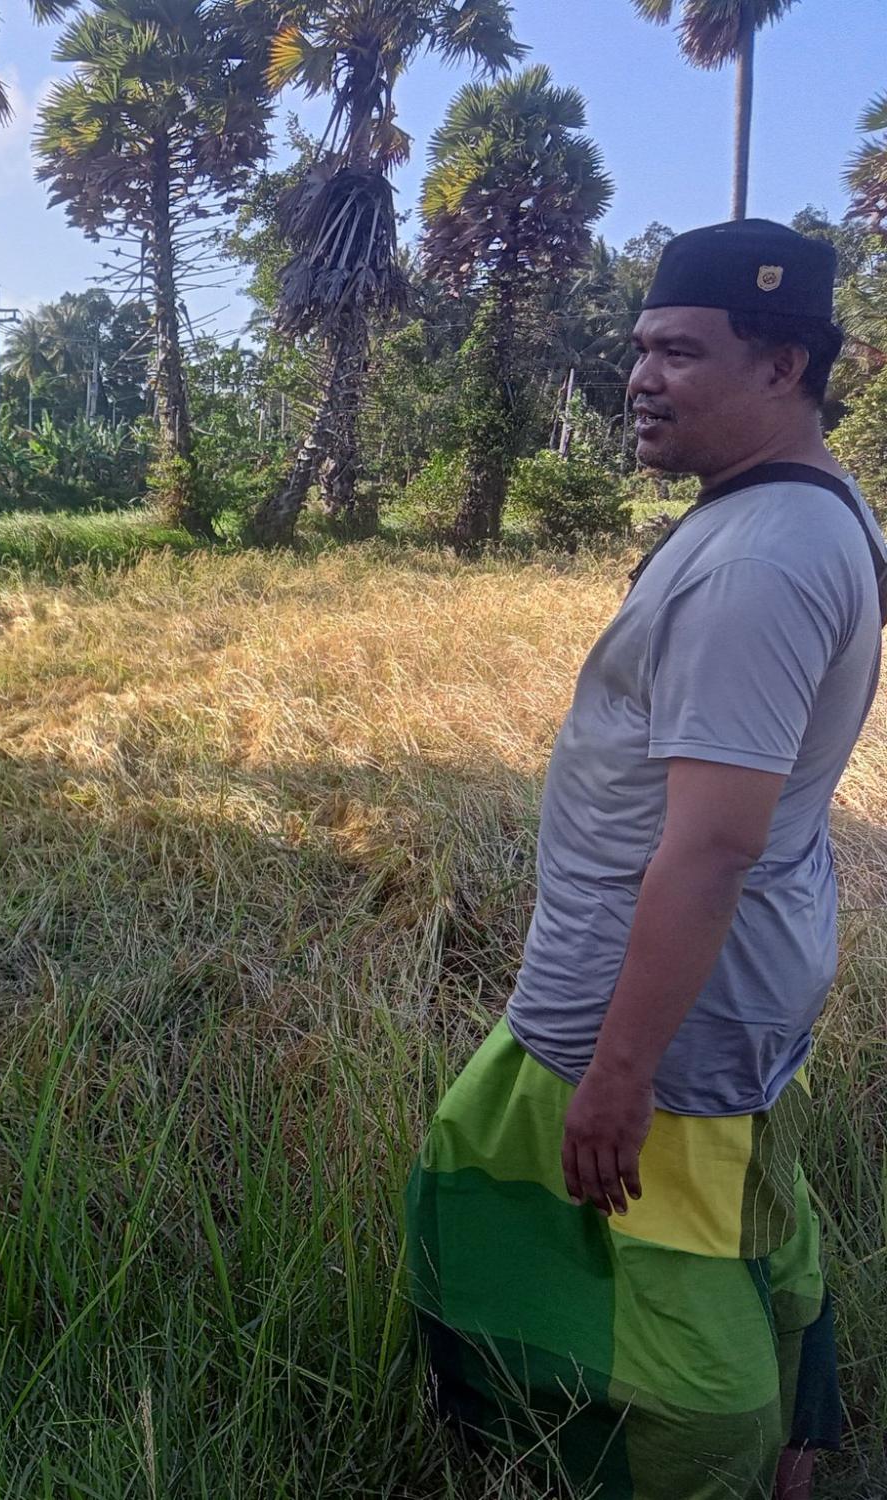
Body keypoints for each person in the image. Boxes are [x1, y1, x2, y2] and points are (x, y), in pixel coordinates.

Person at [406, 219, 881, 1500]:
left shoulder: (760, 564)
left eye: (679, 350)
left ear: (782, 365)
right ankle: (795, 1449)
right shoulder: (791, 514)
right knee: (735, 1217)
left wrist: (619, 1075)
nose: (639, 377)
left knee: (658, 1284)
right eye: (636, 349)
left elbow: (713, 841)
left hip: (660, 1000)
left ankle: (706, 1458)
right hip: (701, 981)